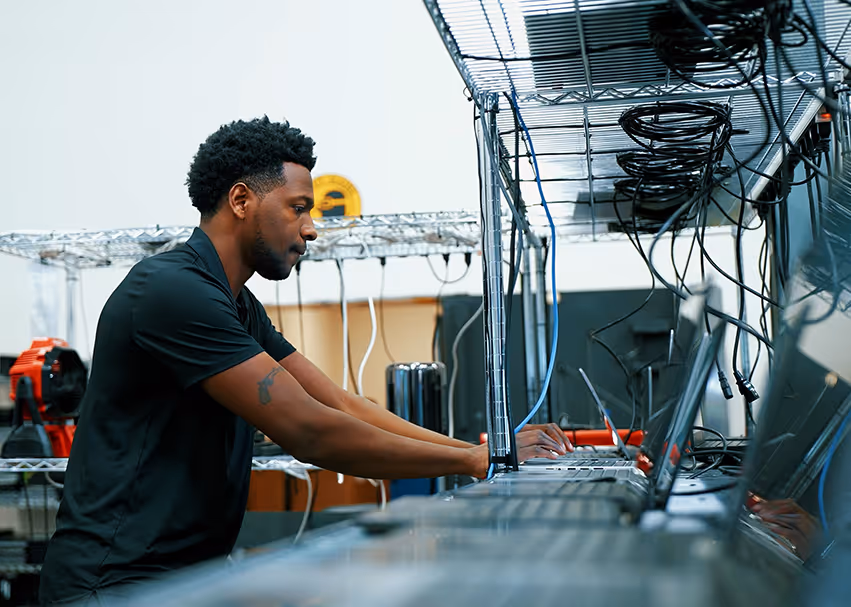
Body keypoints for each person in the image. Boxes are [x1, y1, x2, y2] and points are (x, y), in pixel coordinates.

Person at [38, 117, 570, 605]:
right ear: (242, 200)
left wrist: (486, 453)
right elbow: (309, 429)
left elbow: (335, 400)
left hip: (181, 577)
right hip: (112, 585)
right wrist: (471, 463)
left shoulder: (235, 304)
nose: (311, 229)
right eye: (298, 207)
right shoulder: (171, 290)